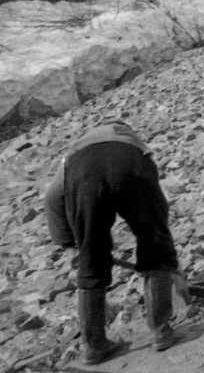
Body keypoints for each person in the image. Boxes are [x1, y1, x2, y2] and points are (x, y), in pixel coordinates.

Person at [43, 120, 182, 363]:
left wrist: (69, 245)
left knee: (91, 259)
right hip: (130, 165)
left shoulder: (75, 151)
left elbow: (52, 198)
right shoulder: (132, 142)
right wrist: (163, 246)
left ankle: (95, 346)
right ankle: (160, 331)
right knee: (154, 244)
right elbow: (155, 202)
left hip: (83, 175)